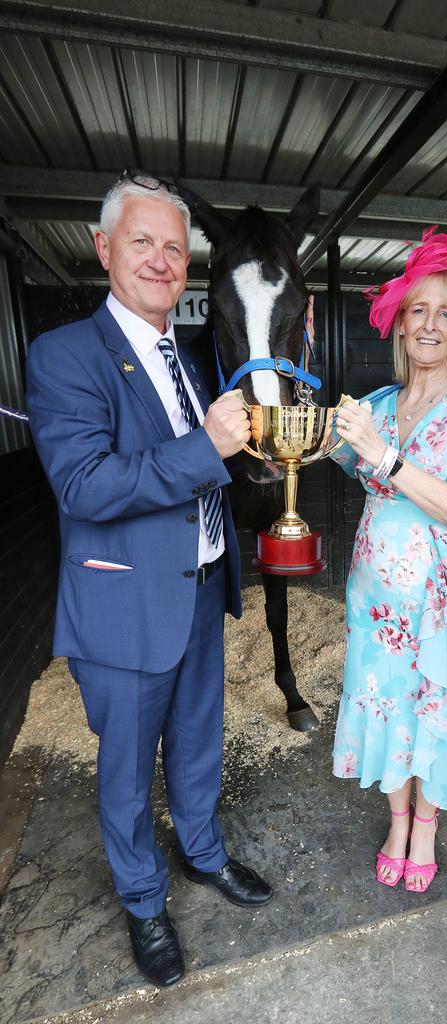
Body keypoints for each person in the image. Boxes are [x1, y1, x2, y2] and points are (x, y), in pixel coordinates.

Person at [25, 170, 273, 990]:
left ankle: (203, 853)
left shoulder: (190, 357)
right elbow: (85, 484)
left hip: (198, 587)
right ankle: (142, 899)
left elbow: (202, 461)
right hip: (122, 600)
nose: (163, 261)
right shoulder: (65, 355)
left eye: (175, 247)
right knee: (128, 769)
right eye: (143, 242)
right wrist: (208, 446)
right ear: (104, 249)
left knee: (200, 740)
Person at [330, 228, 447, 893]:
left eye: (445, 313)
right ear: (400, 325)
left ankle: (426, 829)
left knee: (438, 707)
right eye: (417, 311)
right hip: (373, 596)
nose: (429, 324)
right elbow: (319, 449)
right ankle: (397, 820)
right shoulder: (376, 406)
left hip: (443, 596)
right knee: (387, 704)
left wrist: (384, 455)